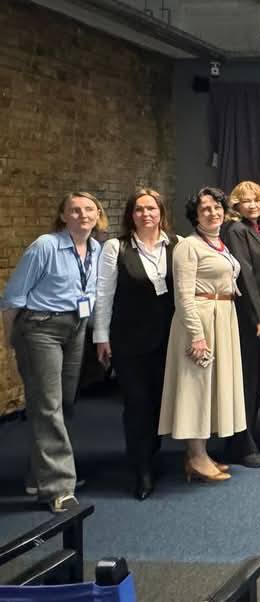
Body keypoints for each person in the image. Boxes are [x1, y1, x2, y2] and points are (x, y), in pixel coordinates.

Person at [2, 192, 103, 512]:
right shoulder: (45, 246)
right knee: (48, 405)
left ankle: (39, 475)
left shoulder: (96, 248)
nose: (83, 215)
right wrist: (10, 339)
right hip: (40, 328)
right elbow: (13, 296)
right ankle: (58, 487)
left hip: (76, 327)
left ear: (97, 214)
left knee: (64, 402)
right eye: (75, 210)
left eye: (89, 209)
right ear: (63, 216)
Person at [158, 187, 246, 483]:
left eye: (217, 207)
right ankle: (195, 457)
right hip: (200, 320)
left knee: (211, 387)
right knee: (197, 386)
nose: (213, 212)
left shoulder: (219, 243)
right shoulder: (188, 246)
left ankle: (201, 454)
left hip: (222, 318)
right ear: (195, 215)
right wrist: (196, 335)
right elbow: (183, 296)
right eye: (205, 208)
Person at [94, 188, 176, 499]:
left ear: (161, 213)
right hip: (128, 339)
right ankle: (141, 469)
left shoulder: (176, 244)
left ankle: (152, 452)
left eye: (151, 208)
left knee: (158, 402)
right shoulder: (116, 247)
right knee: (137, 403)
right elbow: (104, 294)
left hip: (168, 338)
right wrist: (101, 336)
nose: (146, 214)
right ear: (131, 214)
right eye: (139, 209)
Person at [222, 181, 260, 468]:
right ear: (236, 205)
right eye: (246, 201)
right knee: (247, 383)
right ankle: (241, 445)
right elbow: (246, 276)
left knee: (258, 382)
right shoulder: (236, 230)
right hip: (249, 318)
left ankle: (250, 437)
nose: (253, 205)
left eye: (257, 200)